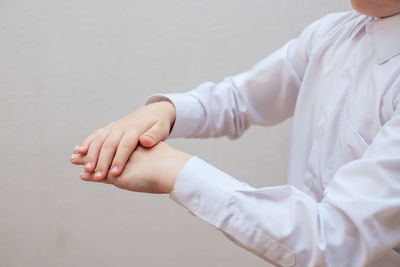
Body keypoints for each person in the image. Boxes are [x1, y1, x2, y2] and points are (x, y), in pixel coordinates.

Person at [70, 0, 400, 266]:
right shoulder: (332, 32)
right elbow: (240, 98)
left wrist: (176, 173)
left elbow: (333, 244)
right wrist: (164, 112)